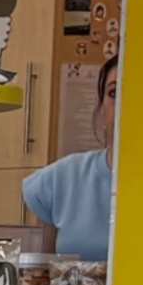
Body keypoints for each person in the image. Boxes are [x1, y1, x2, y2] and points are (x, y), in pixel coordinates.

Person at [23, 49, 121, 258]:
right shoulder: (60, 180)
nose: (124, 105)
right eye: (114, 93)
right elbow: (39, 277)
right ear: (101, 109)